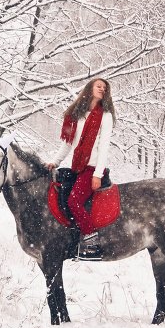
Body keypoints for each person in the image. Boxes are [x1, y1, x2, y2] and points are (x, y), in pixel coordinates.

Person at [47, 78, 115, 260]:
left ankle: (91, 243)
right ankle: (69, 241)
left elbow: (104, 147)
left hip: (92, 168)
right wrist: (55, 161)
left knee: (74, 201)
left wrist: (97, 174)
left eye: (105, 87)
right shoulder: (77, 114)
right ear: (89, 88)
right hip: (76, 168)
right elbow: (68, 143)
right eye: (98, 86)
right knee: (60, 199)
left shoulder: (105, 116)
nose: (102, 89)